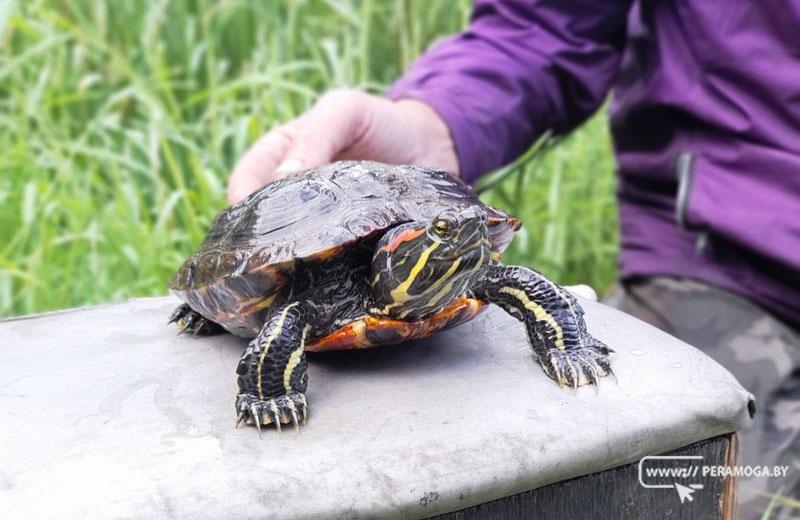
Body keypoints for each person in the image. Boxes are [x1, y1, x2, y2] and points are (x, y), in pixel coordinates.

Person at [227, 1, 799, 516]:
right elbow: (544, 24)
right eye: (448, 233)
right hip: (735, 263)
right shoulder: (337, 283)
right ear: (391, 256)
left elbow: (515, 282)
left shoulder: (468, 278)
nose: (472, 237)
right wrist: (435, 125)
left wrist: (563, 336)